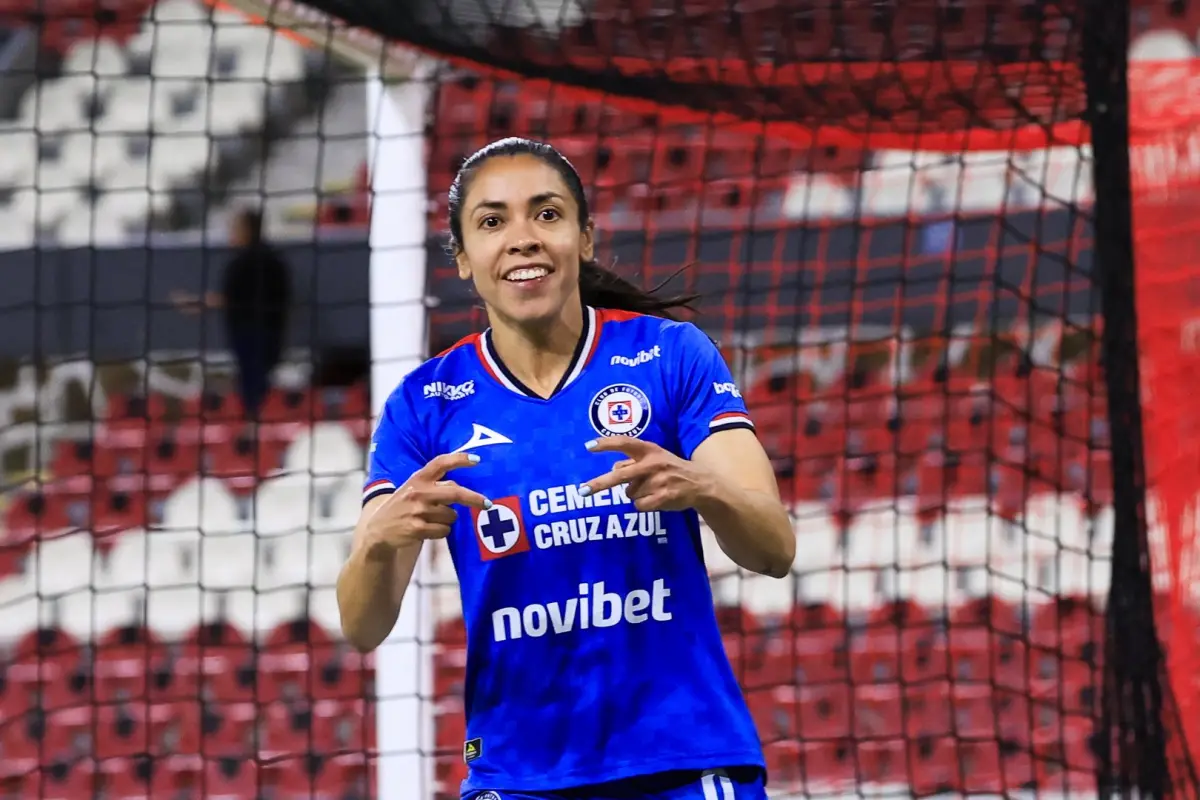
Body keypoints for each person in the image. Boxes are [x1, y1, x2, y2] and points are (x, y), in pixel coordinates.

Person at [337, 137, 796, 800]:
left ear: (584, 237)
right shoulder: (423, 404)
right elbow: (362, 625)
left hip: (684, 765)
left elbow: (774, 548)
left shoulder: (671, 356)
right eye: (493, 221)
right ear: (465, 260)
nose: (522, 237)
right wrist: (381, 539)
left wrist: (703, 489)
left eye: (545, 214)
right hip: (519, 775)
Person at [174, 209, 292, 429]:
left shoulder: (241, 264)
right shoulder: (275, 260)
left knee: (253, 388)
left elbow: (227, 299)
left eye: (236, 227)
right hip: (272, 336)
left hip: (250, 336)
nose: (232, 233)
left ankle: (254, 427)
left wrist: (195, 303)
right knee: (261, 385)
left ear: (247, 229)